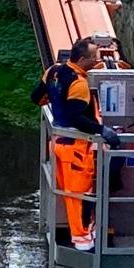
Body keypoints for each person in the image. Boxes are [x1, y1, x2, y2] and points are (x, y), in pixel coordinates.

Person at [31, 37, 122, 251]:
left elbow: (36, 97)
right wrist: (102, 131)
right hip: (77, 150)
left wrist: (57, 104)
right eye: (94, 58)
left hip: (58, 144)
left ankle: (84, 237)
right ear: (82, 60)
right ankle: (84, 244)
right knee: (81, 197)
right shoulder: (79, 84)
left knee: (70, 195)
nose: (98, 61)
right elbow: (76, 118)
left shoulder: (53, 71)